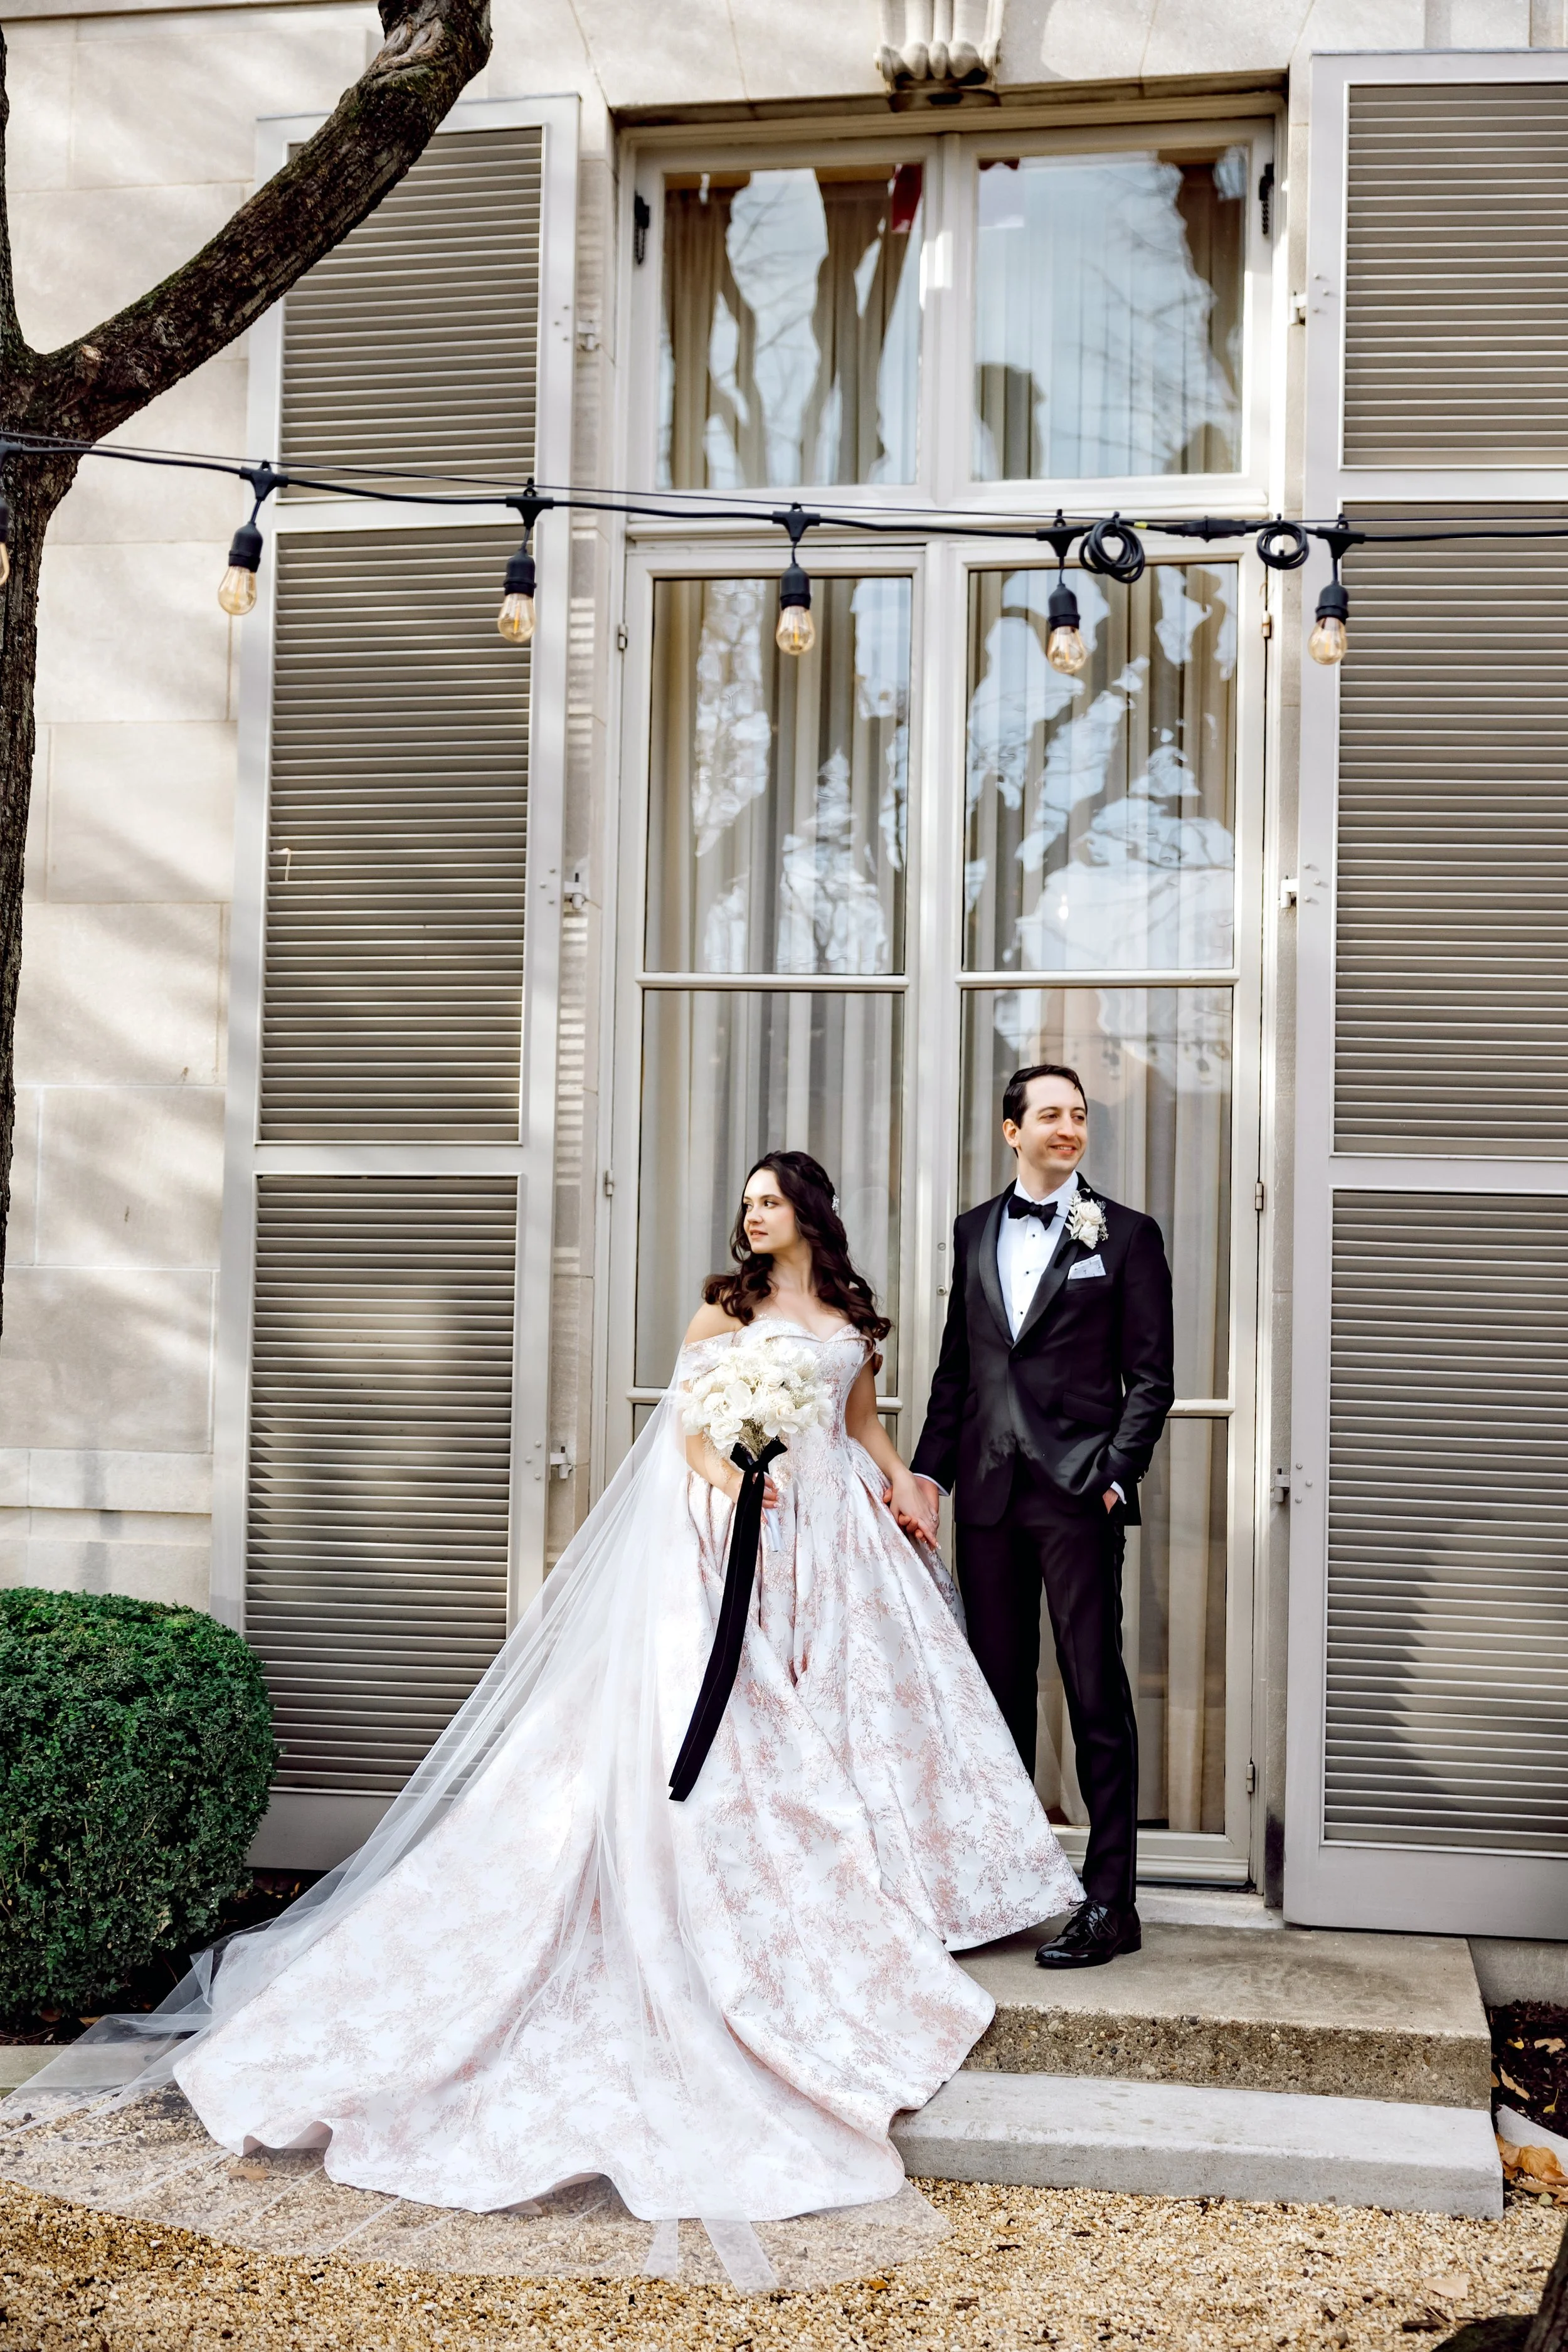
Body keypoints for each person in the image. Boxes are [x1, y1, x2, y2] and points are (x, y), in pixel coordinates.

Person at [166, 1150, 1080, 2267]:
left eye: (768, 1200)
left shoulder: (845, 1308)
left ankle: (896, 1887)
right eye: (742, 1200)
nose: (750, 1215)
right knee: (764, 1730)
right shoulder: (721, 1309)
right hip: (749, 1523)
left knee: (866, 1712)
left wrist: (900, 1481)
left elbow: (860, 1421)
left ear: (807, 1213)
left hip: (839, 1533)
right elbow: (690, 1435)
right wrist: (737, 1477)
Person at [908, 1066, 1175, 1972]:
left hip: (1074, 1493)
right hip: (985, 1491)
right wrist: (924, 1477)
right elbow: (959, 1368)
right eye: (1051, 1115)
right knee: (994, 1694)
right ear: (1010, 1128)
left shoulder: (1128, 1236)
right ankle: (1003, 1886)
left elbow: (1152, 1377)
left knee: (1095, 1690)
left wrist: (1113, 1475)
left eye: (1080, 1115)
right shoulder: (974, 1230)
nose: (1070, 1128)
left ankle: (1111, 1900)